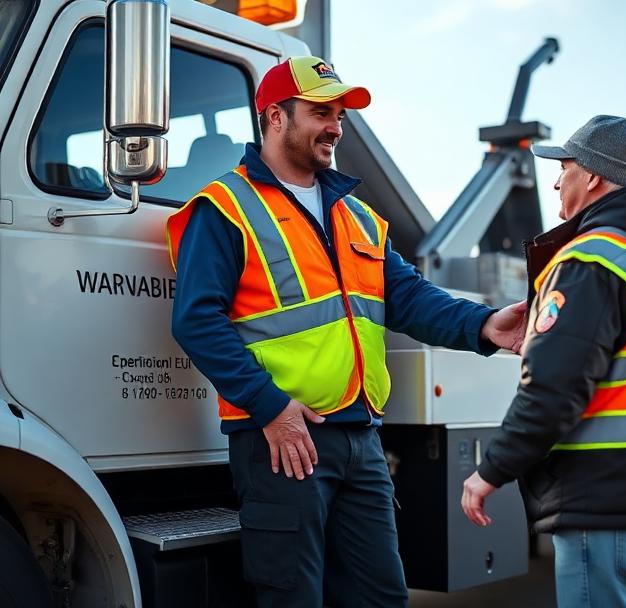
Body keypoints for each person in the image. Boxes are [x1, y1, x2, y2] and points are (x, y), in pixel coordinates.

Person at [166, 56, 526, 608]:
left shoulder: (357, 215)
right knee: (293, 599)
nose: (335, 125)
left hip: (361, 439)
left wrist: (482, 325)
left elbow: (406, 297)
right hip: (283, 440)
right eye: (320, 112)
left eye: (338, 113)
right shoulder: (224, 208)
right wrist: (270, 408)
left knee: (382, 597)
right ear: (275, 118)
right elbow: (196, 320)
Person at [461, 115, 626, 608]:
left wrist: (491, 470)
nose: (557, 180)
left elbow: (553, 388)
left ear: (594, 176)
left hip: (616, 504)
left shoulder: (593, 259)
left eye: (564, 166)